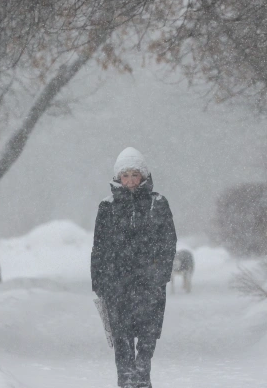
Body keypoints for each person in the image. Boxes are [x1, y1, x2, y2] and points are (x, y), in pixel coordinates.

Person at [91, 147, 177, 388]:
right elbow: (98, 247)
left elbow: (169, 242)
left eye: (134, 175)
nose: (130, 180)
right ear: (118, 178)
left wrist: (160, 274)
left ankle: (142, 374)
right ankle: (126, 379)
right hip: (116, 282)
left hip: (150, 282)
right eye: (125, 175)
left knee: (148, 334)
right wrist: (98, 281)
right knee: (121, 335)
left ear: (144, 177)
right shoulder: (106, 206)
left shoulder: (158, 203)